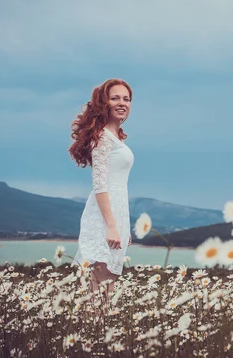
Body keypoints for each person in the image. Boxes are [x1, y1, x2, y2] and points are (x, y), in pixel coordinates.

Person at [68, 78, 135, 314]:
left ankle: (98, 341)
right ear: (103, 102)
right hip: (104, 220)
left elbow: (118, 186)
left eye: (126, 99)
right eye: (115, 98)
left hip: (115, 218)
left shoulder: (115, 138)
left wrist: (122, 225)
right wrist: (111, 226)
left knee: (106, 296)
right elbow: (100, 185)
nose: (122, 103)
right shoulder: (102, 138)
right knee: (96, 295)